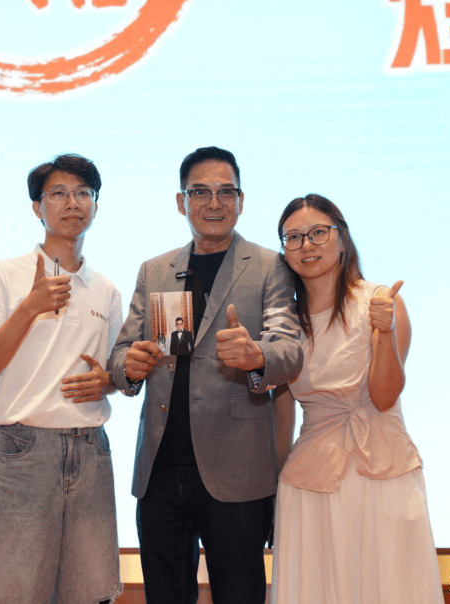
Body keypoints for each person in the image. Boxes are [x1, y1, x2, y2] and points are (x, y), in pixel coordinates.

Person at [109, 146, 303, 604]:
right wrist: (127, 368)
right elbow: (120, 353)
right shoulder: (155, 270)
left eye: (225, 192)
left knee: (239, 595)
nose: (214, 203)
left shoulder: (270, 265)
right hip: (160, 472)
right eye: (200, 192)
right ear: (182, 202)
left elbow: (289, 350)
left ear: (241, 200)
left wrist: (256, 355)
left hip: (237, 470)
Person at [0, 154, 124, 604]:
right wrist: (30, 307)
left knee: (88, 593)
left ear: (95, 205)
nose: (73, 203)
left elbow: (110, 372)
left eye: (84, 193)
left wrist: (108, 382)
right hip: (25, 448)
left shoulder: (106, 290)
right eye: (59, 194)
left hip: (91, 450)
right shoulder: (3, 275)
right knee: (3, 591)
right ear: (37, 207)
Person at [271, 194, 444, 604]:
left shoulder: (381, 301)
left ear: (342, 238)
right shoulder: (283, 321)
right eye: (293, 237)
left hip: (384, 471)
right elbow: (281, 413)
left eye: (318, 232)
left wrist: (384, 331)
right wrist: (272, 491)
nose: (307, 245)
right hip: (310, 481)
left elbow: (384, 397)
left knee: (393, 587)